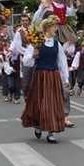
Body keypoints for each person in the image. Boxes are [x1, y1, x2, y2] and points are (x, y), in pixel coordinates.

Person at [21, 15, 70, 143]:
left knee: (53, 103)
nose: (57, 28)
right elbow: (26, 62)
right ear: (47, 28)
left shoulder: (57, 44)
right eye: (54, 26)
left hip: (53, 76)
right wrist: (33, 54)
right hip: (40, 76)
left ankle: (50, 132)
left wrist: (66, 79)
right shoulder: (37, 42)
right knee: (39, 102)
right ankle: (37, 125)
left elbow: (62, 62)